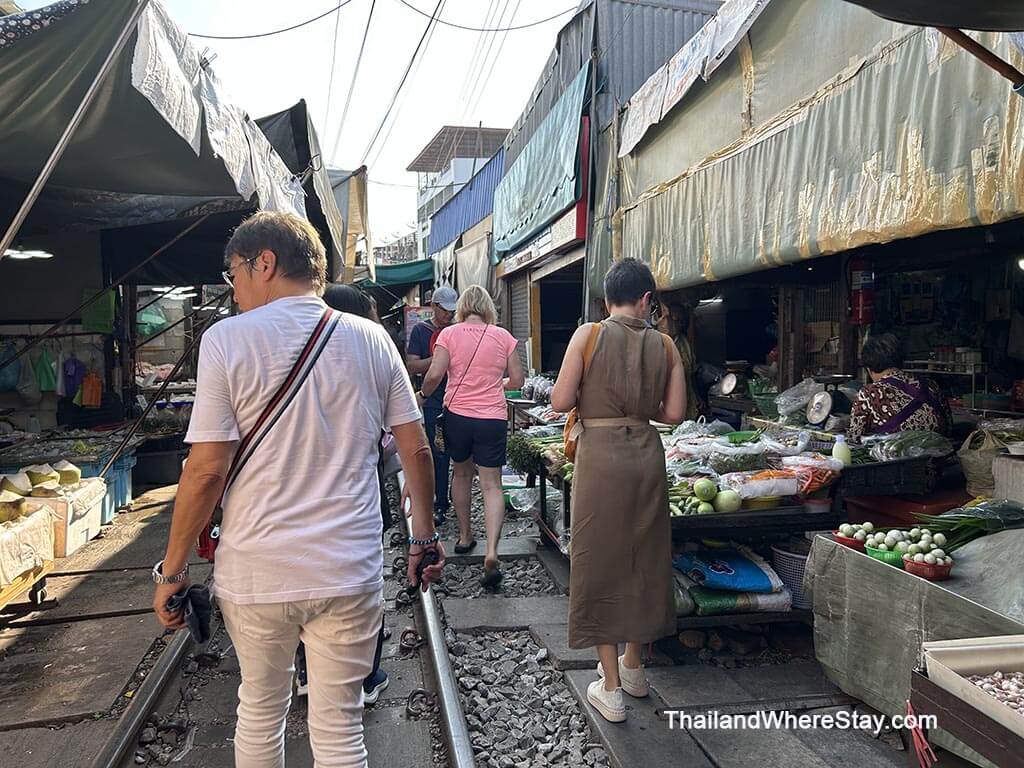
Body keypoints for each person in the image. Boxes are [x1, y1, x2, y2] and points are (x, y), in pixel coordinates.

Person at [152, 212, 444, 768]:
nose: (233, 289)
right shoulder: (373, 339)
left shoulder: (225, 341)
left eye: (234, 273)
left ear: (264, 263)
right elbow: (417, 450)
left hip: (256, 572)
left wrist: (172, 570)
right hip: (348, 569)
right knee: (340, 728)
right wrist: (423, 538)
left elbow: (206, 471)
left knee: (261, 713)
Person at [550, 259, 686, 725]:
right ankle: (634, 666)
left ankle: (610, 688)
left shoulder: (587, 336)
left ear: (606, 299)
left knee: (600, 561)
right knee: (644, 557)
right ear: (647, 299)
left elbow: (560, 400)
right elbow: (674, 413)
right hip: (646, 454)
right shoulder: (665, 344)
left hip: (601, 458)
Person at [419, 285, 524, 588]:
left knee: (462, 474)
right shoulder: (503, 336)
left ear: (462, 306)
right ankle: (491, 551)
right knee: (492, 485)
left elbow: (435, 374)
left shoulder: (449, 334)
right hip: (492, 418)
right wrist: (495, 384)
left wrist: (423, 395)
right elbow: (518, 380)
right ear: (488, 307)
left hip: (458, 417)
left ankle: (465, 536)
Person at [406, 286, 458, 527]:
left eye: (452, 311)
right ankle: (439, 503)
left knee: (460, 452)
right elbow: (412, 366)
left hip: (458, 396)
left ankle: (456, 498)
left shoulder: (457, 330)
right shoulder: (421, 330)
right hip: (433, 399)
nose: (449, 315)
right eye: (445, 310)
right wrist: (439, 359)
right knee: (438, 450)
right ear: (434, 307)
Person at [847, 332, 952, 443]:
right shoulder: (931, 385)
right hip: (938, 451)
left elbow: (855, 438)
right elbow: (949, 427)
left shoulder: (869, 393)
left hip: (894, 453)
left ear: (869, 369)